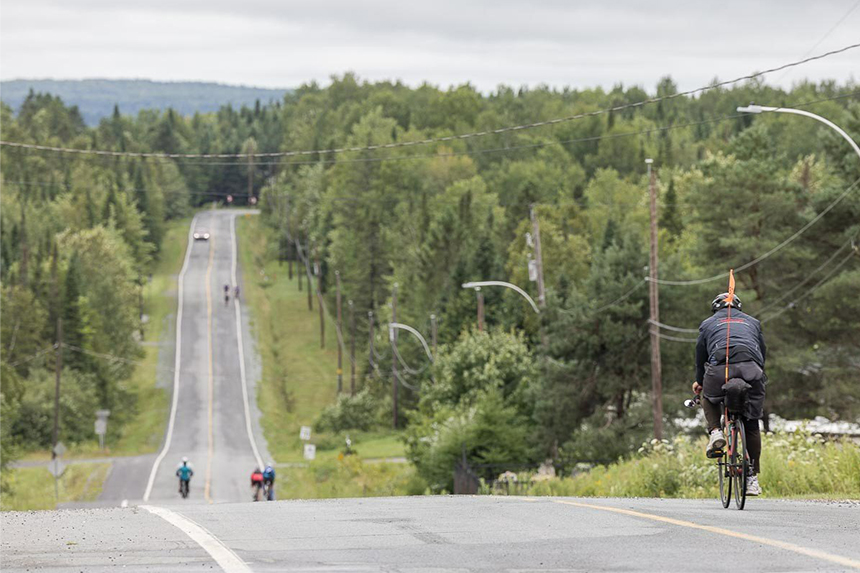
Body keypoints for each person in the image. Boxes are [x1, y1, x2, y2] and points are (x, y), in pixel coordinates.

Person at [693, 292, 766, 496]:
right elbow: (762, 353)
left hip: (719, 372)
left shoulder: (707, 324)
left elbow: (700, 358)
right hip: (751, 370)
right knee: (751, 423)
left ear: (715, 308)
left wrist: (699, 382)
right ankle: (752, 478)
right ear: (738, 308)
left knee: (706, 394)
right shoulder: (753, 322)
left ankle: (716, 430)